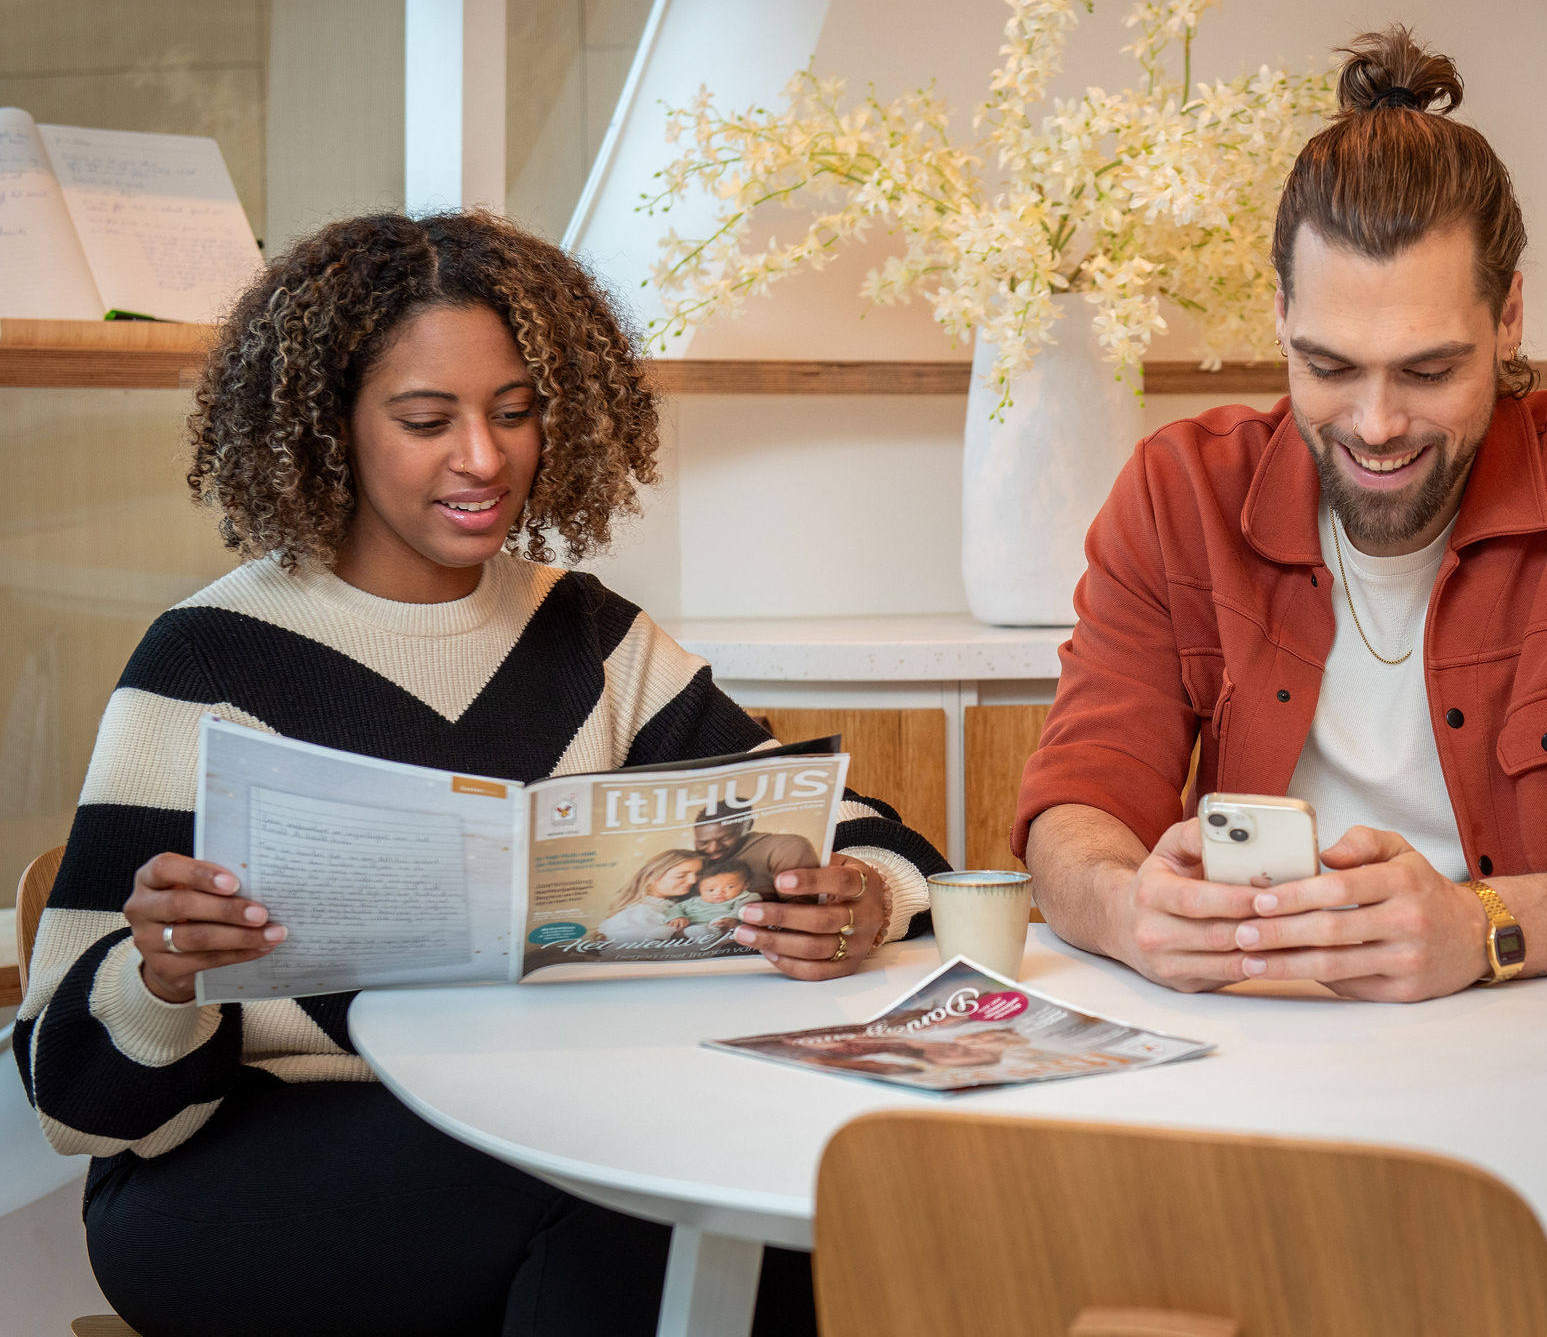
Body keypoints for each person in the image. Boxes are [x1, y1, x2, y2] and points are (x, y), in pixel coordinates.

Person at [13, 210, 948, 1337]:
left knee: (773, 1201)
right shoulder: (210, 656)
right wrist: (159, 975)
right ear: (328, 427)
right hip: (246, 1165)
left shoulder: (592, 638)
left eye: (515, 411)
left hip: (545, 1116)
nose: (483, 456)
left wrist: (861, 897)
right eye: (425, 419)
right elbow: (71, 1093)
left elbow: (865, 829)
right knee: (633, 1201)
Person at [1015, 28, 1547, 1012]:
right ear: (1282, 314)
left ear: (1506, 318)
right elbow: (1074, 809)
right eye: (1329, 367)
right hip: (1255, 1034)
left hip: (1535, 1038)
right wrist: (1132, 911)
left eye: (1427, 370)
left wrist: (1486, 927)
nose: (1375, 426)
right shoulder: (1175, 494)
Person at [693, 799, 824, 896]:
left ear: (748, 825)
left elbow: (801, 908)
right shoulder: (693, 862)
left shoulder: (784, 847)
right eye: (703, 843)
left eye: (725, 838)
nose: (712, 849)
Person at [599, 848, 705, 943]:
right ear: (652, 877)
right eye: (681, 876)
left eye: (697, 874)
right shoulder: (639, 913)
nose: (693, 880)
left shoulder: (676, 904)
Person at [670, 858, 763, 937]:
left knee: (718, 925)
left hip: (718, 926)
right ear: (699, 889)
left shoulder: (745, 897)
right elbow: (675, 908)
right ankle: (663, 935)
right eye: (711, 890)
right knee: (668, 929)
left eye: (730, 887)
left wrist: (732, 918)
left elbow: (744, 907)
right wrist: (677, 917)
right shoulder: (694, 901)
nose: (719, 893)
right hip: (689, 925)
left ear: (745, 885)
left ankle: (705, 933)